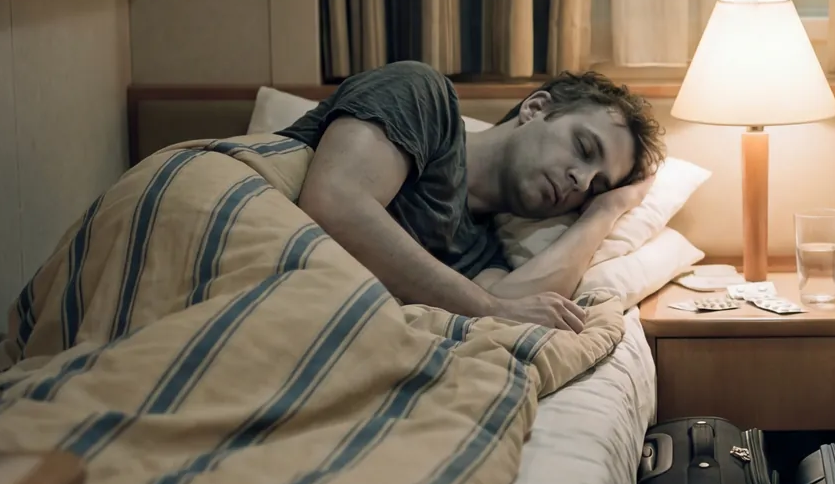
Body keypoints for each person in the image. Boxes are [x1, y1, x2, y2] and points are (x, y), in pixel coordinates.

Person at [280, 62, 663, 333]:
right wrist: (489, 307)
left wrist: (603, 212)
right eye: (582, 146)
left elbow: (515, 317)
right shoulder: (422, 95)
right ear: (535, 108)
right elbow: (334, 203)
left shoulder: (484, 252)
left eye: (594, 186)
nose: (581, 181)